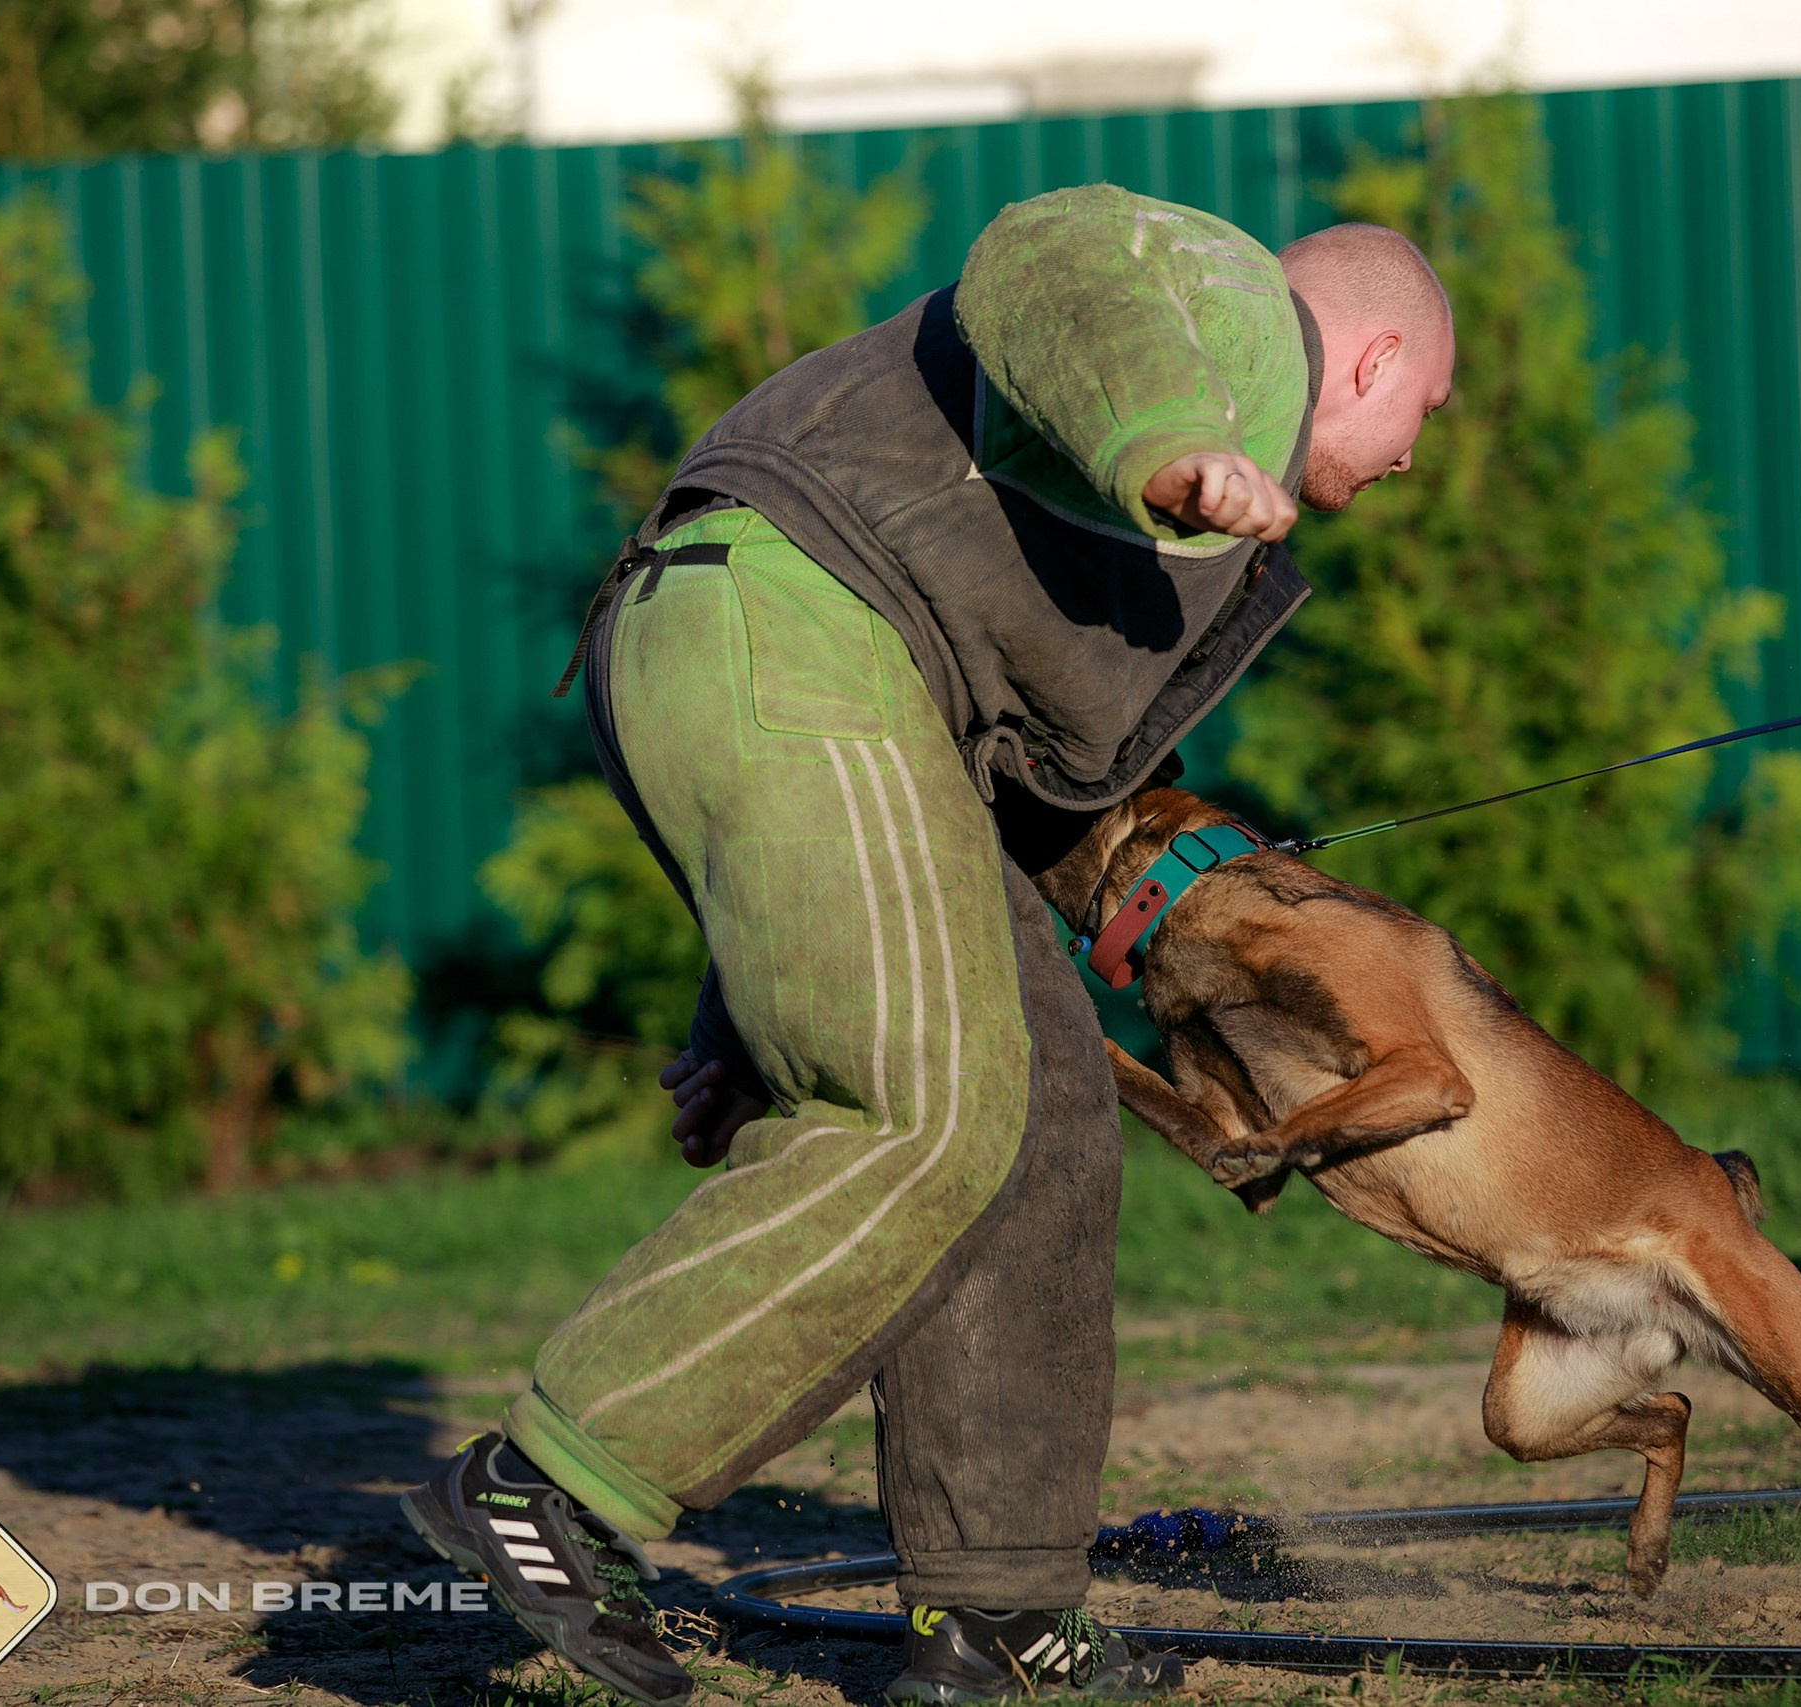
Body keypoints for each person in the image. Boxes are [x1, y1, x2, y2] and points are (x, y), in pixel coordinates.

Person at [402, 184, 1453, 1706]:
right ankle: (553, 1480)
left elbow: (920, 810)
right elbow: (1055, 251)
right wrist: (1170, 435)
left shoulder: (1226, 439)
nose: (1416, 450)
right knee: (937, 1107)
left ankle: (997, 1614)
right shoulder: (1231, 319)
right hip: (797, 628)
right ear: (1371, 358)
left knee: (1044, 1119)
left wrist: (735, 1020)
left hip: (824, 678)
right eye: (1424, 404)